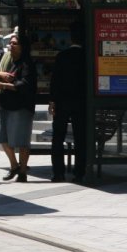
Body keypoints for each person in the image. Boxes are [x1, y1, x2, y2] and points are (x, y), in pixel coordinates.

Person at [0, 34, 36, 182]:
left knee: (22, 140)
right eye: (10, 43)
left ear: (23, 47)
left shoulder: (27, 63)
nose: (11, 45)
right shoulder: (5, 57)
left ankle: (22, 172)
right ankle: (14, 165)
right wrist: (1, 76)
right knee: (2, 138)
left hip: (21, 105)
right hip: (4, 103)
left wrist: (4, 85)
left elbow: (24, 85)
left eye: (15, 43)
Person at [49, 20, 87, 183]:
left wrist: (52, 101)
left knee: (58, 137)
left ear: (71, 39)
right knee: (81, 137)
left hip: (62, 101)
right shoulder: (87, 57)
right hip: (81, 102)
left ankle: (58, 173)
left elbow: (54, 80)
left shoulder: (62, 56)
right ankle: (80, 172)